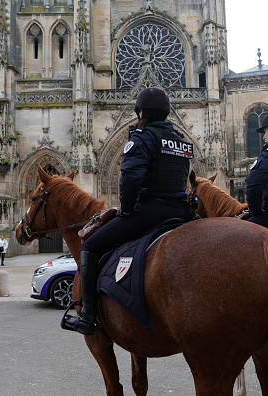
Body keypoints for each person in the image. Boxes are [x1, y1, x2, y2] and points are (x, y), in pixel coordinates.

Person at [63, 87, 194, 335]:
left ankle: (88, 316)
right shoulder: (180, 140)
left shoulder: (142, 137)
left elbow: (130, 179)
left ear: (141, 112)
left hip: (150, 211)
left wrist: (127, 210)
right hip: (180, 211)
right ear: (166, 113)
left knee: (90, 246)